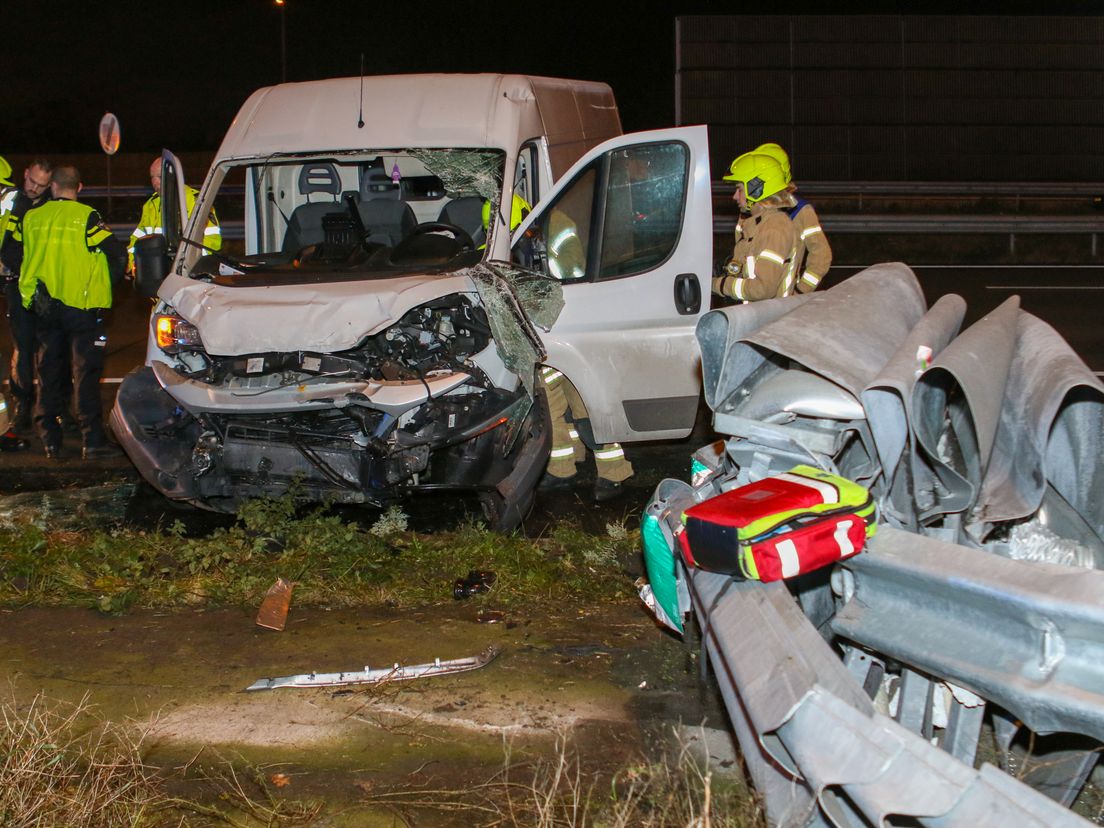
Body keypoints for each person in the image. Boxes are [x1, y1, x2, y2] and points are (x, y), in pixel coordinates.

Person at [1, 166, 126, 459]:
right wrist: (104, 287)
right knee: (85, 374)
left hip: (45, 309)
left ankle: (50, 441)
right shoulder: (86, 217)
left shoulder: (31, 217)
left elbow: (10, 253)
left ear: (53, 187)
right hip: (82, 310)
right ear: (78, 187)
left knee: (48, 372)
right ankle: (92, 441)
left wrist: (32, 291)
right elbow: (117, 254)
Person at [0, 157, 63, 433]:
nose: (34, 188)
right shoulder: (11, 200)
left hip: (48, 288)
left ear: (50, 184)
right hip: (17, 286)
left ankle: (54, 410)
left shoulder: (53, 206)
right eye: (31, 181)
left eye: (41, 185)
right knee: (23, 349)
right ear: (24, 174)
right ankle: (22, 406)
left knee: (52, 351)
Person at [711, 153, 798, 302]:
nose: (735, 196)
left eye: (740, 189)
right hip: (758, 317)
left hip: (771, 320)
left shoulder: (775, 228)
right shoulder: (759, 225)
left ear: (757, 190)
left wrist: (717, 284)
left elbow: (762, 289)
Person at [538, 366, 634, 503]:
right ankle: (561, 469)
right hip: (548, 362)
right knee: (548, 413)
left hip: (577, 359)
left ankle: (613, 474)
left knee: (588, 419)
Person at [752, 142, 831, 294]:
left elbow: (821, 255)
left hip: (782, 302)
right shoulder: (750, 209)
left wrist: (800, 291)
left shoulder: (801, 210)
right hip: (751, 299)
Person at [128, 157, 221, 269]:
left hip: (189, 270)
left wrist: (193, 262)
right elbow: (138, 238)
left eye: (159, 177)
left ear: (174, 177)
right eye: (152, 177)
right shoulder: (150, 205)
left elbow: (212, 240)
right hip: (156, 269)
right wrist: (132, 262)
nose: (154, 182)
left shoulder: (196, 201)